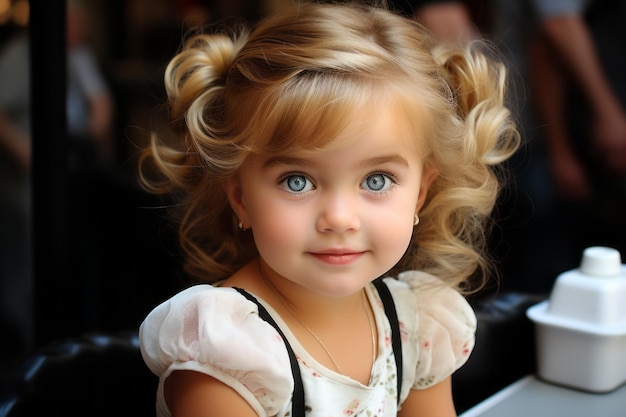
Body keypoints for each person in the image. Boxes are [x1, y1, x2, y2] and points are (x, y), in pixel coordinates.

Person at [137, 2, 520, 416]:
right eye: (297, 181)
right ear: (241, 197)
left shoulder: (417, 327)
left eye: (377, 180)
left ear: (420, 193)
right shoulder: (227, 354)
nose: (339, 218)